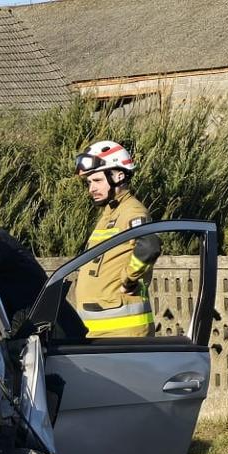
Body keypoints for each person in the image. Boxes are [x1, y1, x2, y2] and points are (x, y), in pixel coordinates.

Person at [73, 140, 159, 339]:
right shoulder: (111, 213)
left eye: (97, 180)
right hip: (100, 331)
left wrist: (128, 280)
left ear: (119, 176)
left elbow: (149, 246)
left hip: (123, 333)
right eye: (89, 182)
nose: (91, 189)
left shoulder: (132, 211)